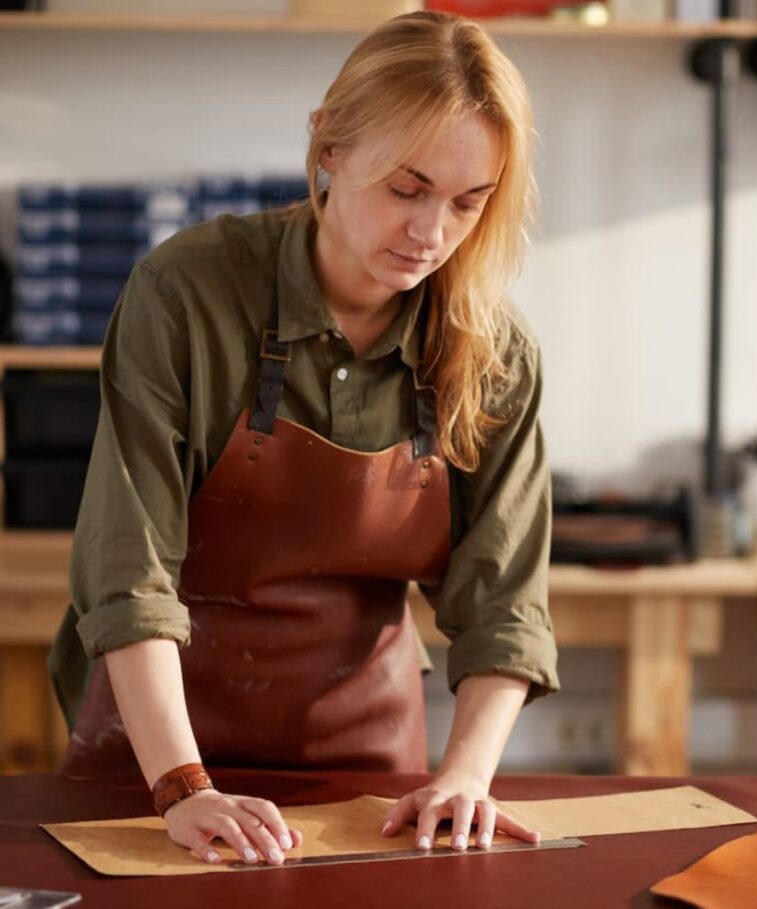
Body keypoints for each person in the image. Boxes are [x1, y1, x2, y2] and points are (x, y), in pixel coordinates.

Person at [46, 10, 559, 867]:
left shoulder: (494, 351)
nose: (432, 234)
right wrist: (182, 786)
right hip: (156, 763)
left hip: (365, 774)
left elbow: (504, 601)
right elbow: (126, 570)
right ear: (329, 146)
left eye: (468, 204)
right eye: (408, 188)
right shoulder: (185, 295)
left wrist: (467, 773)